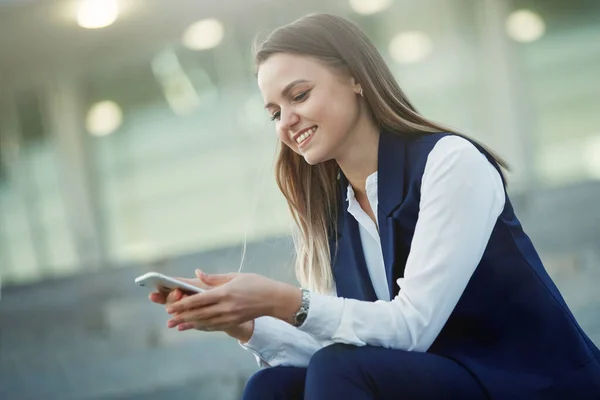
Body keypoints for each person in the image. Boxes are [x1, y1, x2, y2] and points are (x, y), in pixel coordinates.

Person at [149, 13, 600, 399]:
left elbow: (410, 330)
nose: (286, 121)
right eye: (273, 112)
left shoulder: (450, 163)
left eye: (299, 95)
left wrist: (285, 300)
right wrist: (242, 321)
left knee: (340, 370)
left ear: (355, 78)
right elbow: (356, 345)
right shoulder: (336, 212)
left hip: (530, 384)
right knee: (271, 388)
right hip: (442, 379)